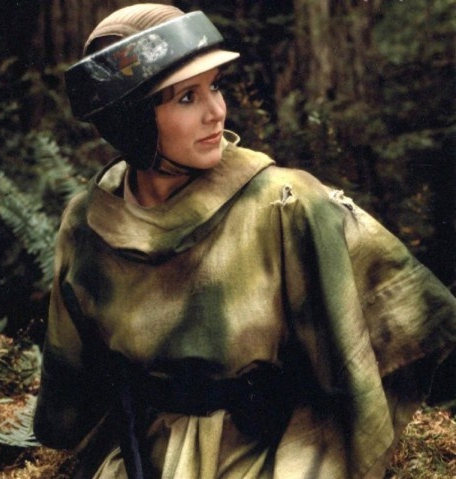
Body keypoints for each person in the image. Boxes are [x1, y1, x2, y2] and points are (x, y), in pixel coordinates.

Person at [33, 3, 456, 479]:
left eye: (215, 86)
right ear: (131, 121)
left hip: (271, 452)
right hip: (139, 456)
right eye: (187, 98)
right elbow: (68, 400)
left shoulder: (285, 203)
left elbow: (408, 314)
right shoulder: (87, 224)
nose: (217, 111)